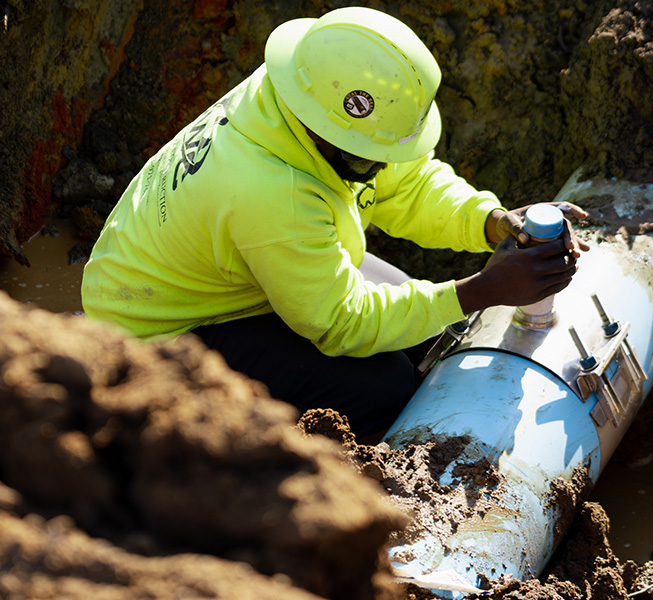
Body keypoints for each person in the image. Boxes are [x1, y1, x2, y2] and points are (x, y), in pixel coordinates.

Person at [81, 7, 589, 437]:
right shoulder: (272, 193)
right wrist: (480, 290)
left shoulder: (303, 95)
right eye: (370, 156)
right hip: (154, 335)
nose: (383, 165)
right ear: (329, 134)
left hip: (224, 269)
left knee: (434, 334)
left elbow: (405, 182)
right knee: (383, 391)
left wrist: (491, 220)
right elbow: (339, 321)